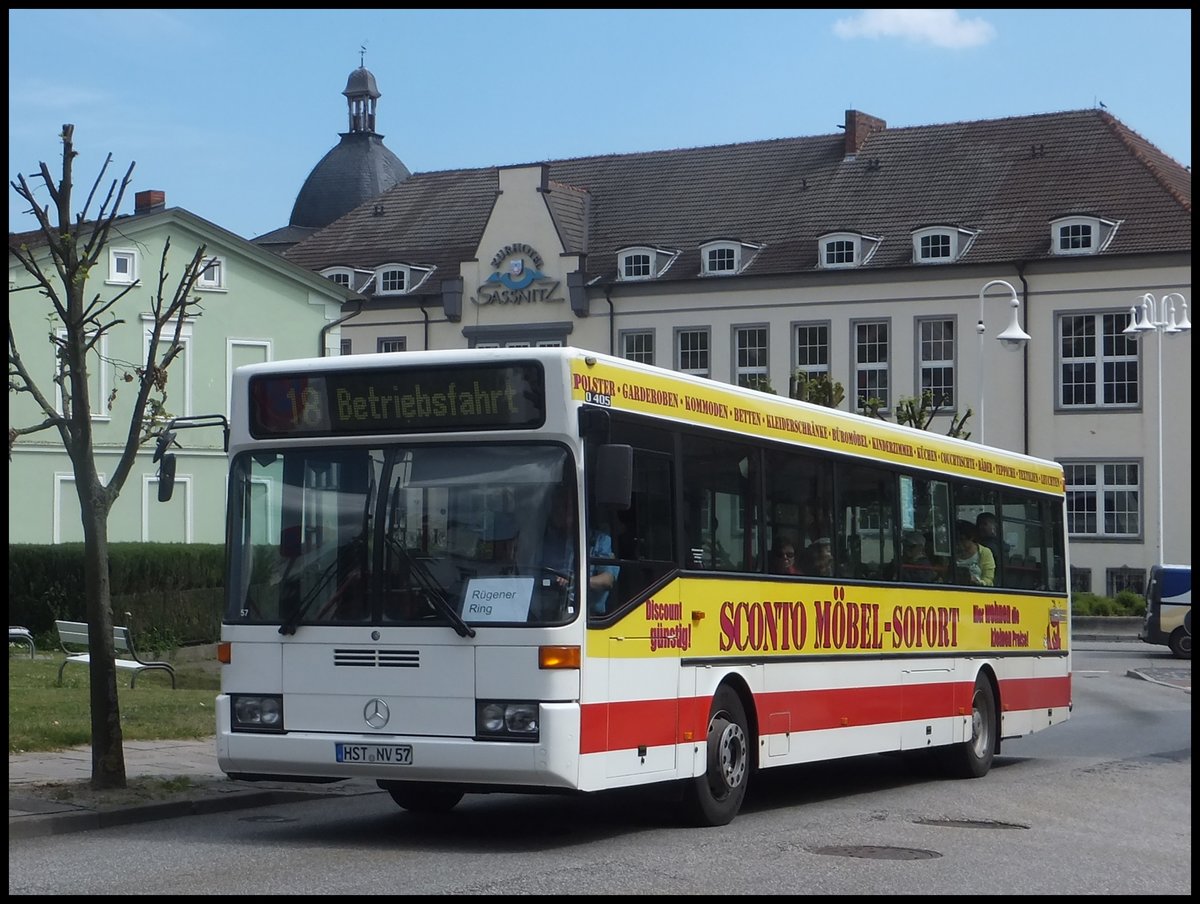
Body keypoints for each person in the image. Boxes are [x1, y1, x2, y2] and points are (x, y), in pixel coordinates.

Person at [542, 488, 619, 615]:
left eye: (565, 507)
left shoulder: (600, 539)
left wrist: (574, 580)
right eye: (556, 507)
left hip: (588, 615)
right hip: (547, 610)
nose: (559, 512)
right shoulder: (545, 541)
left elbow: (607, 580)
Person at [954, 520, 995, 586]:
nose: (959, 543)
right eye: (956, 540)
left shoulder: (984, 553)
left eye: (962, 539)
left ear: (971, 538)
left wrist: (979, 582)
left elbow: (989, 579)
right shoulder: (950, 553)